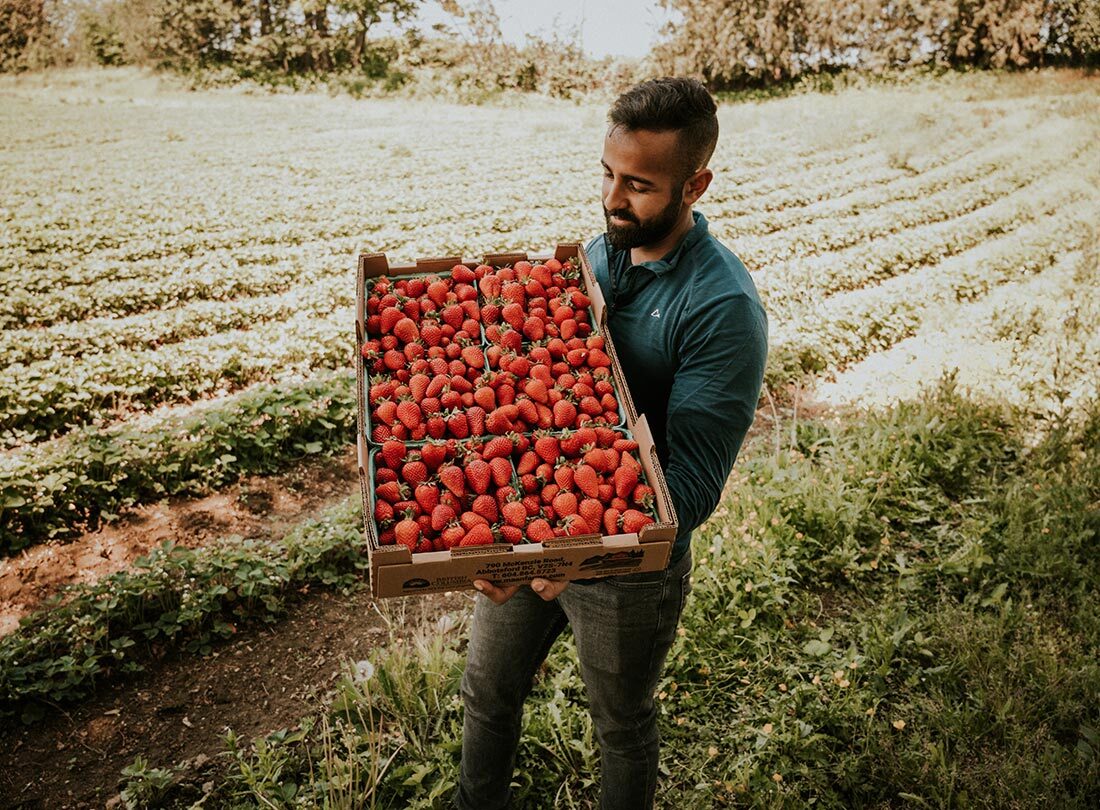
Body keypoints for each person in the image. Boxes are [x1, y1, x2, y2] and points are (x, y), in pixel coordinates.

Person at [454, 77, 768, 810]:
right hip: (534, 521)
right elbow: (542, 370)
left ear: (697, 183)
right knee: (485, 694)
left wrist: (579, 550)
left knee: (620, 724)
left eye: (638, 184)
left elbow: (690, 488)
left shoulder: (722, 309)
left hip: (630, 566)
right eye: (607, 173)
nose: (612, 197)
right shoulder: (604, 251)